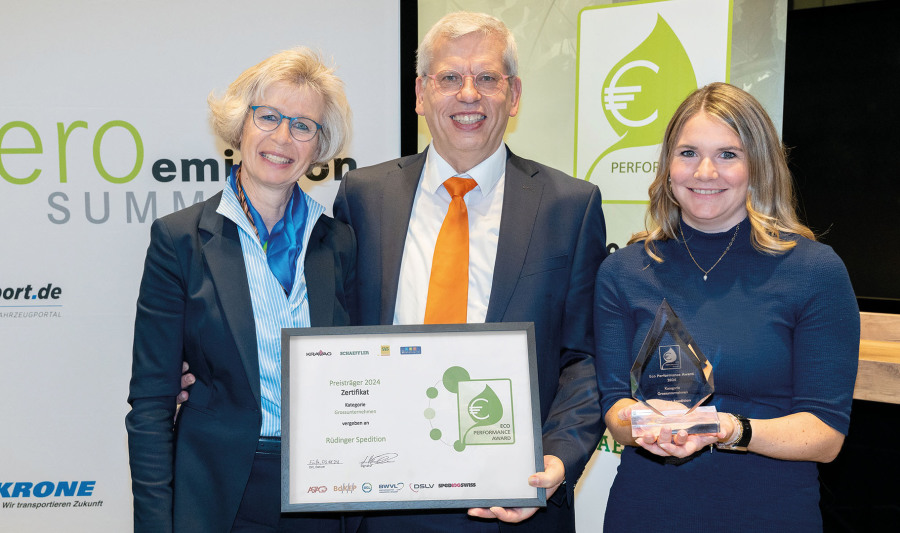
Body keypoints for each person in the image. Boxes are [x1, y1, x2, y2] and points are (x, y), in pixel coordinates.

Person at [333, 11, 607, 533]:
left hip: (511, 501)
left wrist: (555, 460)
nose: (468, 94)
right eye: (449, 77)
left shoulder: (569, 206)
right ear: (420, 94)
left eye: (486, 78)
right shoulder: (363, 197)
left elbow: (585, 358)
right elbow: (332, 328)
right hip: (382, 499)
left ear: (514, 95)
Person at [594, 82, 859, 531]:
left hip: (768, 514)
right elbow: (615, 408)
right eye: (688, 153)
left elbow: (825, 435)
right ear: (667, 166)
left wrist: (728, 429)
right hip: (645, 511)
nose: (705, 172)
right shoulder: (623, 271)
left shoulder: (814, 271)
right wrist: (641, 424)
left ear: (758, 165)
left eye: (728, 154)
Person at [125, 48, 357, 533]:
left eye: (303, 125)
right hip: (218, 497)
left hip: (327, 493)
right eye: (268, 117)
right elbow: (151, 403)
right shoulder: (180, 240)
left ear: (318, 146)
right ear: (239, 126)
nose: (282, 138)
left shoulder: (339, 241)